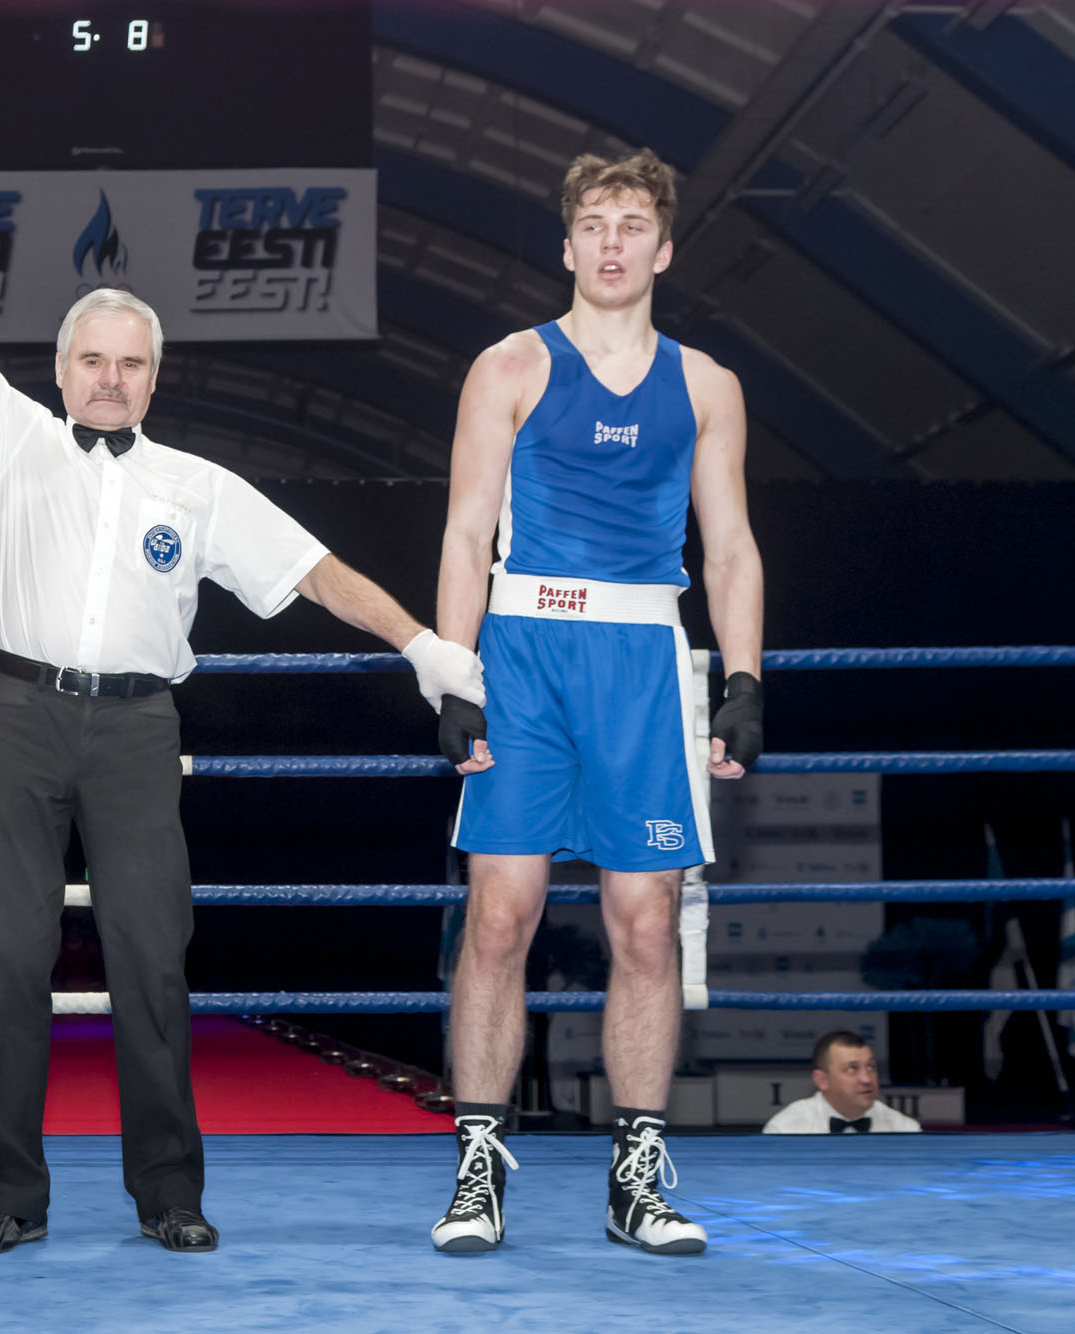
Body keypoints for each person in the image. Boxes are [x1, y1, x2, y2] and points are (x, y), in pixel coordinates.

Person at [0, 117, 483, 1255]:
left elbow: (316, 570)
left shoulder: (198, 486)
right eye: (92, 359)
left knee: (150, 959)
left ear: (153, 376)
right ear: (60, 369)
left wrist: (424, 645)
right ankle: (8, 1195)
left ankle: (169, 1191)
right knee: (9, 961)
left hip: (138, 728)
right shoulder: (11, 439)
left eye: (130, 362)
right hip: (17, 715)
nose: (110, 377)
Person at [430, 148, 765, 1257]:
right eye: (594, 225)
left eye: (632, 226)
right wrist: (453, 674)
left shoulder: (706, 385)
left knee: (645, 923)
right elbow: (465, 532)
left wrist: (744, 681)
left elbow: (728, 548)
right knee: (498, 914)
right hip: (524, 650)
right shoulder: (509, 365)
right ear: (566, 244)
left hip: (642, 661)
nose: (612, 243)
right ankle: (478, 1164)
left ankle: (636, 1177)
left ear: (663, 249)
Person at [763, 1032, 920, 1134]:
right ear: (822, 1080)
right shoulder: (785, 1129)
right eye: (852, 1069)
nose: (866, 1079)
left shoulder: (905, 1130)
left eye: (871, 1067)